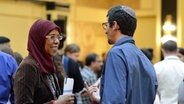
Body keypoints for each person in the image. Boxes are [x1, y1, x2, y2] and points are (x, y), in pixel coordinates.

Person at [98, 5, 157, 104]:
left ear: (115, 25)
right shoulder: (144, 58)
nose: (105, 30)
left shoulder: (116, 53)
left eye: (106, 25)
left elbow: (114, 100)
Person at [13, 19, 74, 104]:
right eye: (52, 37)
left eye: (58, 37)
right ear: (39, 39)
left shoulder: (50, 63)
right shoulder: (28, 67)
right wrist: (56, 103)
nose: (57, 41)